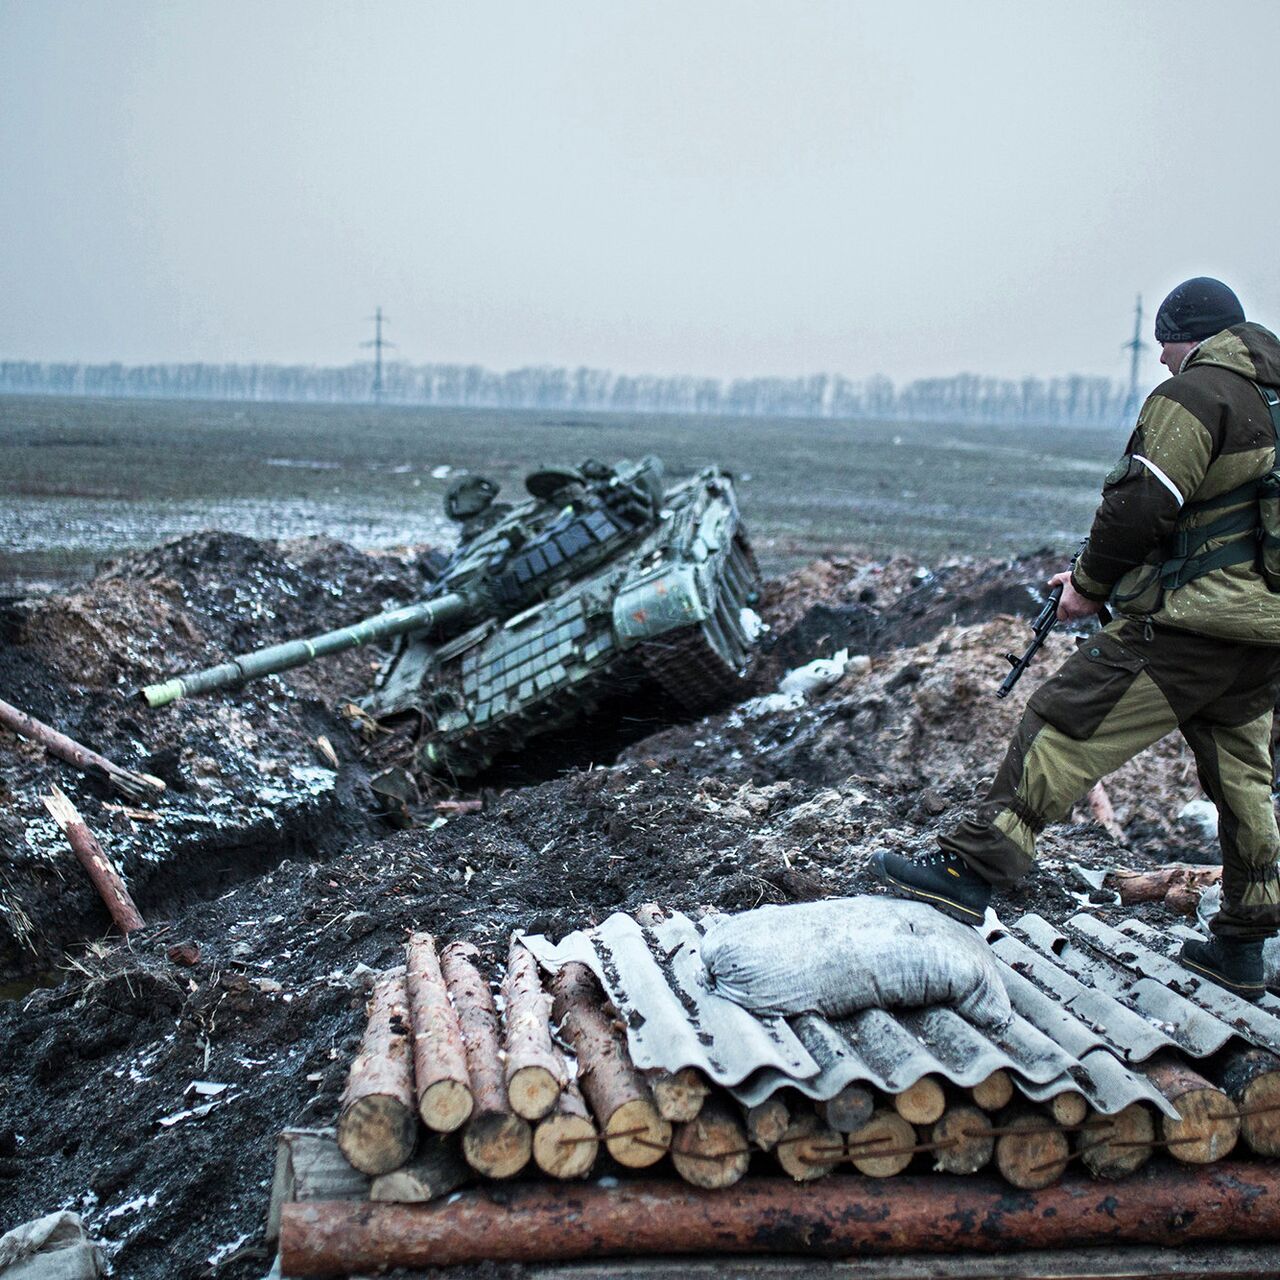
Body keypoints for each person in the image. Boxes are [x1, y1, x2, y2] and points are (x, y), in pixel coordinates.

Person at [875, 277, 1280, 1002]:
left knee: (1062, 722)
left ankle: (970, 874)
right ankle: (1246, 943)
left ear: (1190, 334)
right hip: (1265, 634)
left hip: (1189, 628)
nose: (1159, 358)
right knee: (1245, 781)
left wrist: (1089, 585)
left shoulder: (1197, 396)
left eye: (1165, 341)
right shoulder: (1275, 400)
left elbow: (1139, 503)